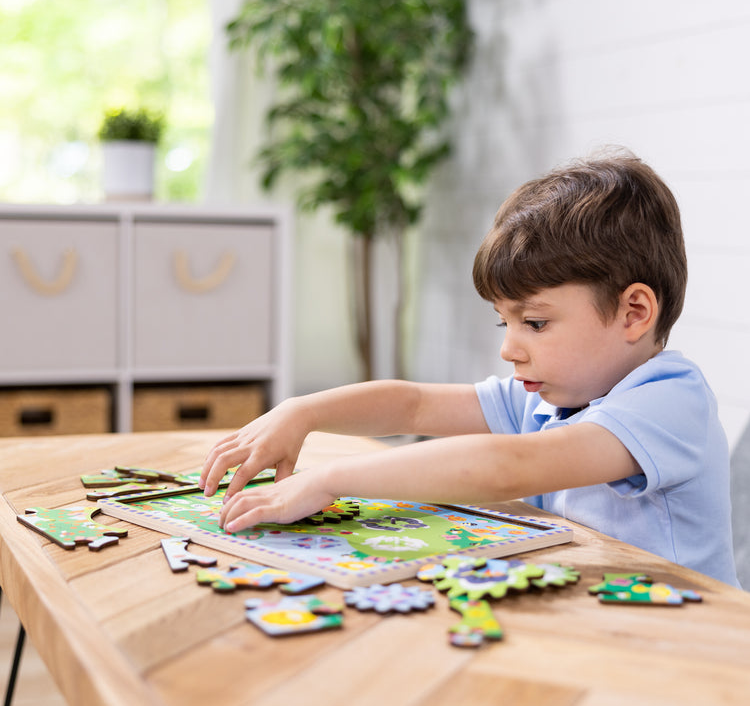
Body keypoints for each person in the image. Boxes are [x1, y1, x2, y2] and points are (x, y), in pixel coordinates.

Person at [199, 150, 739, 587]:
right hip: (587, 623)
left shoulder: (670, 401)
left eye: (535, 322)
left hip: (690, 651)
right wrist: (304, 411)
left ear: (634, 312)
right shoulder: (547, 397)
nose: (511, 349)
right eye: (505, 324)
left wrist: (330, 480)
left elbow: (507, 468)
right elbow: (413, 405)